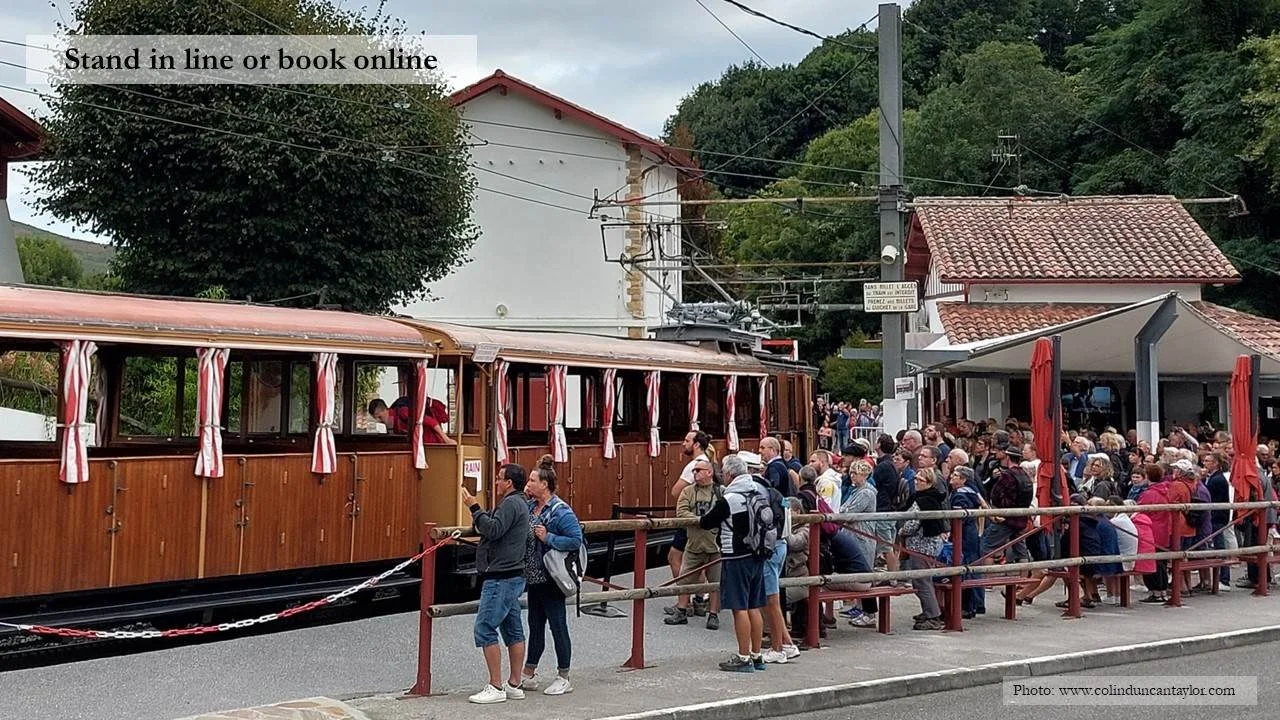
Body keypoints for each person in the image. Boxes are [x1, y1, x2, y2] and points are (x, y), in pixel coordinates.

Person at [462, 464, 532, 704]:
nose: (497, 482)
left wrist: (474, 507)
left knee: (485, 627)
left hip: (501, 575)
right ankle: (514, 683)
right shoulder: (519, 503)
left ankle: (495, 685)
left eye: (500, 478)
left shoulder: (512, 503)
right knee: (513, 628)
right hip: (512, 573)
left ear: (509, 483)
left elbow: (493, 529)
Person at [519, 455, 583, 697]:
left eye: (533, 480)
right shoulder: (530, 505)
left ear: (544, 484)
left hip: (552, 577)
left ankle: (564, 675)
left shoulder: (561, 511)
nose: (529, 483)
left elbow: (576, 540)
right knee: (535, 625)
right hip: (535, 577)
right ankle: (529, 672)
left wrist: (549, 538)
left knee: (557, 625)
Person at [699, 454, 768, 672]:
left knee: (739, 608)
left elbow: (706, 522)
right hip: (758, 553)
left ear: (729, 474)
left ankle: (743, 657)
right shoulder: (759, 492)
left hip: (735, 556)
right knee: (754, 606)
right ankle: (757, 656)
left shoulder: (729, 499)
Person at [666, 456, 723, 630]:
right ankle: (682, 610)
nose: (695, 473)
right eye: (694, 470)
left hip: (715, 545)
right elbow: (681, 512)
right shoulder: (688, 492)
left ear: (709, 472)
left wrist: (708, 521)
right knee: (684, 579)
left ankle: (713, 614)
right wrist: (701, 520)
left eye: (698, 470)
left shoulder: (721, 492)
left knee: (715, 581)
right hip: (693, 544)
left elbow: (725, 513)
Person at [667, 431, 713, 619]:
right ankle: (699, 598)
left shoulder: (694, 465)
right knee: (698, 561)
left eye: (686, 441)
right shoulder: (708, 460)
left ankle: (684, 600)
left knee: (676, 557)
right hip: (703, 518)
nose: (683, 444)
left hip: (691, 518)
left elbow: (676, 491)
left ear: (696, 445)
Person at [368, 395, 454, 444]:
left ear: (385, 410)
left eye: (380, 417)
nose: (380, 421)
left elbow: (431, 421)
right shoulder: (390, 423)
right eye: (377, 419)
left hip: (430, 443)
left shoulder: (402, 412)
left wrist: (446, 439)